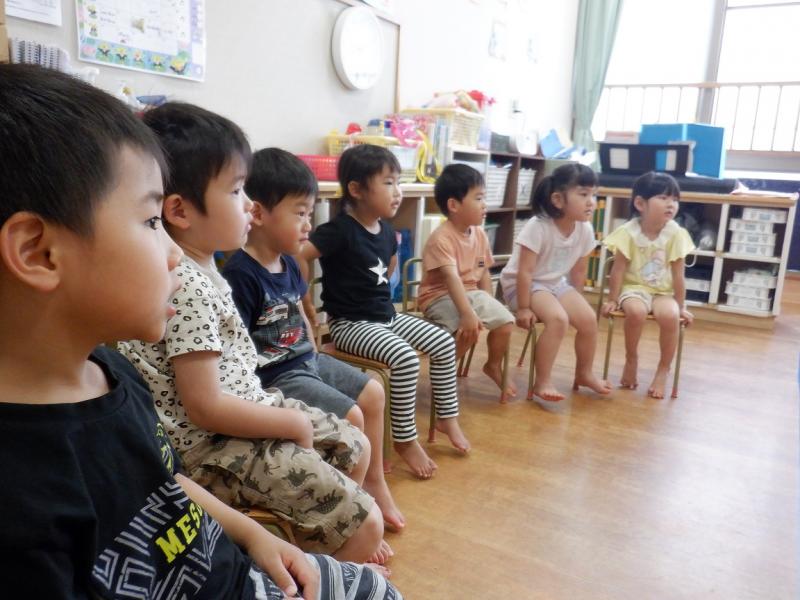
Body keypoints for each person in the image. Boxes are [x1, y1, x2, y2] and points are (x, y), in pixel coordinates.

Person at [0, 63, 400, 599]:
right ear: (39, 252)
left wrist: (254, 536)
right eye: (151, 222)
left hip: (234, 563)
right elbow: (204, 409)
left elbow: (166, 483)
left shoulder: (113, 374)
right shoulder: (22, 496)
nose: (172, 253)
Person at [118, 103, 391, 566]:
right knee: (368, 524)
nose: (249, 205)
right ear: (180, 210)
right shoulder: (187, 286)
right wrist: (290, 424)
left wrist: (287, 419)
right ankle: (337, 557)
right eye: (236, 190)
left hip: (247, 409)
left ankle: (325, 540)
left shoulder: (208, 268)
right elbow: (204, 407)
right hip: (212, 445)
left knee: (355, 443)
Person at [222, 147, 405, 531]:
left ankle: (375, 482)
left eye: (310, 214)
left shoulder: (288, 261)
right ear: (259, 214)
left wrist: (316, 348)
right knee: (352, 415)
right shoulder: (241, 273)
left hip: (306, 359)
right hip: (277, 374)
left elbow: (301, 313)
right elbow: (237, 346)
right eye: (300, 213)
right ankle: (349, 510)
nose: (309, 224)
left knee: (373, 393)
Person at [300, 144, 470, 480]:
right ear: (356, 189)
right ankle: (404, 439)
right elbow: (298, 255)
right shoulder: (340, 230)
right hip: (350, 325)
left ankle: (447, 417)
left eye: (398, 182)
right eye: (389, 182)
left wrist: (381, 290)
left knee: (443, 342)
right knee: (405, 359)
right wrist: (305, 301)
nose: (398, 191)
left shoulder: (388, 232)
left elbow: (390, 263)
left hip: (386, 317)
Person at [500, 163, 612, 402]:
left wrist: (577, 301)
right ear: (558, 200)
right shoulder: (538, 226)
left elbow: (579, 271)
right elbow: (525, 272)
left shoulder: (585, 229)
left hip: (554, 284)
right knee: (559, 319)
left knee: (588, 319)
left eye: (594, 194)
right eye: (583, 194)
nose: (591, 202)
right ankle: (542, 381)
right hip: (522, 286)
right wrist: (523, 308)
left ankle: (584, 373)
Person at [416, 163, 516, 399]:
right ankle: (444, 375)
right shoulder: (441, 238)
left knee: (505, 322)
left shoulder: (479, 233)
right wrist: (468, 314)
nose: (485, 205)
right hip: (438, 296)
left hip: (471, 293)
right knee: (466, 330)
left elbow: (483, 273)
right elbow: (451, 279)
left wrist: (489, 304)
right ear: (454, 205)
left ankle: (493, 365)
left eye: (484, 198)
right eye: (478, 198)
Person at [601, 171, 695, 399]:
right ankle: (631, 359)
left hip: (663, 292)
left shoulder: (676, 234)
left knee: (670, 315)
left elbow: (678, 275)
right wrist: (612, 299)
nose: (671, 204)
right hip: (633, 289)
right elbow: (618, 269)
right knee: (636, 312)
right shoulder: (628, 232)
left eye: (675, 199)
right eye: (663, 198)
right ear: (640, 204)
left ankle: (663, 369)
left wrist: (681, 306)